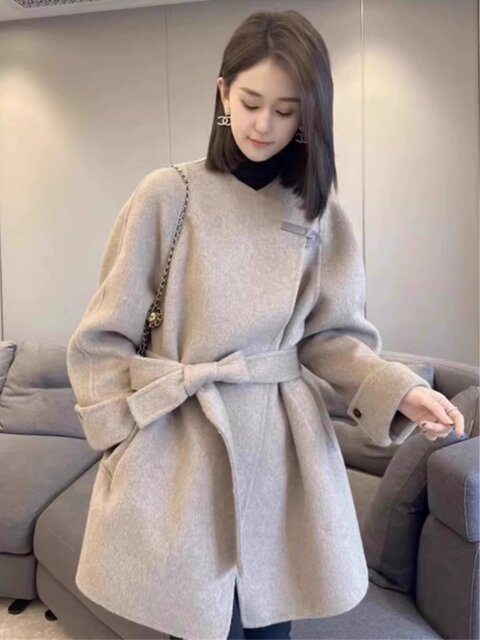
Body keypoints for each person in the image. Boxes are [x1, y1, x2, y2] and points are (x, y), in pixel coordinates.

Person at [66, 9, 465, 640]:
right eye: (251, 102)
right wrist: (123, 432)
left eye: (286, 110)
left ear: (309, 115)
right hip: (182, 446)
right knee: (197, 625)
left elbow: (333, 338)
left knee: (269, 627)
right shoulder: (167, 195)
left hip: (279, 455)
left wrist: (401, 391)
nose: (263, 125)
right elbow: (100, 339)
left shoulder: (318, 213)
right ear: (223, 94)